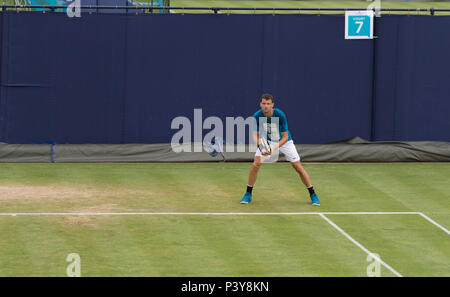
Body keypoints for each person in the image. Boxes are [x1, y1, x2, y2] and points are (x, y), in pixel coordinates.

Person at [240, 93, 320, 206]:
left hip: (284, 142)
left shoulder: (280, 115)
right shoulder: (257, 116)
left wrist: (272, 148)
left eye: (268, 104)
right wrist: (262, 147)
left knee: (298, 167)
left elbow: (285, 137)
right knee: (255, 164)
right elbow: (256, 135)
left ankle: (313, 194)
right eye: (264, 103)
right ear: (260, 104)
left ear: (272, 105)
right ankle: (248, 194)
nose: (266, 106)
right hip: (268, 141)